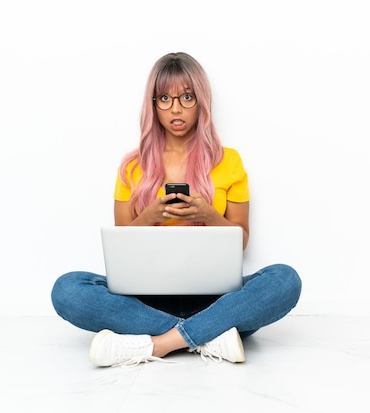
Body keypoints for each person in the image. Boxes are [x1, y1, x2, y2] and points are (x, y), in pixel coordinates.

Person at [50, 52, 302, 367]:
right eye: (165, 99)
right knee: (67, 289)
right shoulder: (132, 166)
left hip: (215, 299)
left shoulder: (229, 161)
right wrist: (150, 217)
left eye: (186, 97)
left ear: (201, 102)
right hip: (145, 300)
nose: (176, 109)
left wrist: (207, 215)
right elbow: (120, 247)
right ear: (152, 105)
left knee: (285, 280)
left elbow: (242, 242)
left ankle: (158, 344)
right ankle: (208, 336)